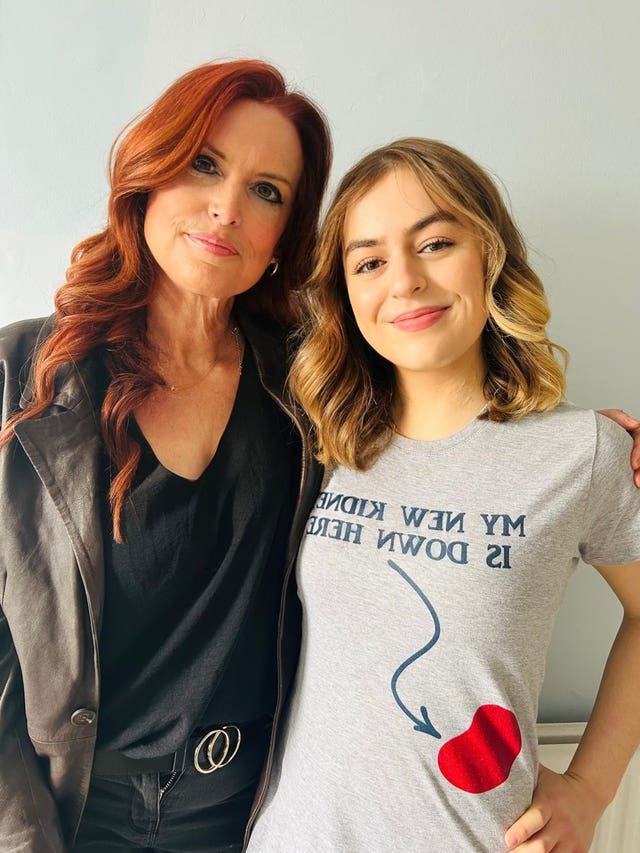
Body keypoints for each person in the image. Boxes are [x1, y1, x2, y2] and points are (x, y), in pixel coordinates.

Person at [245, 138, 640, 852]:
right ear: (345, 296)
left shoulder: (581, 454)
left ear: (489, 253)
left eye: (434, 243)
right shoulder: (319, 442)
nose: (404, 281)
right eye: (369, 262)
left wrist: (591, 788)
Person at [0, 59, 331, 853]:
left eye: (267, 191)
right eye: (205, 165)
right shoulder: (21, 375)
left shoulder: (314, 384)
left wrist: (572, 442)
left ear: (284, 235)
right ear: (148, 177)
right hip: (72, 811)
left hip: (253, 808)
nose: (227, 207)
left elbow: (441, 428)